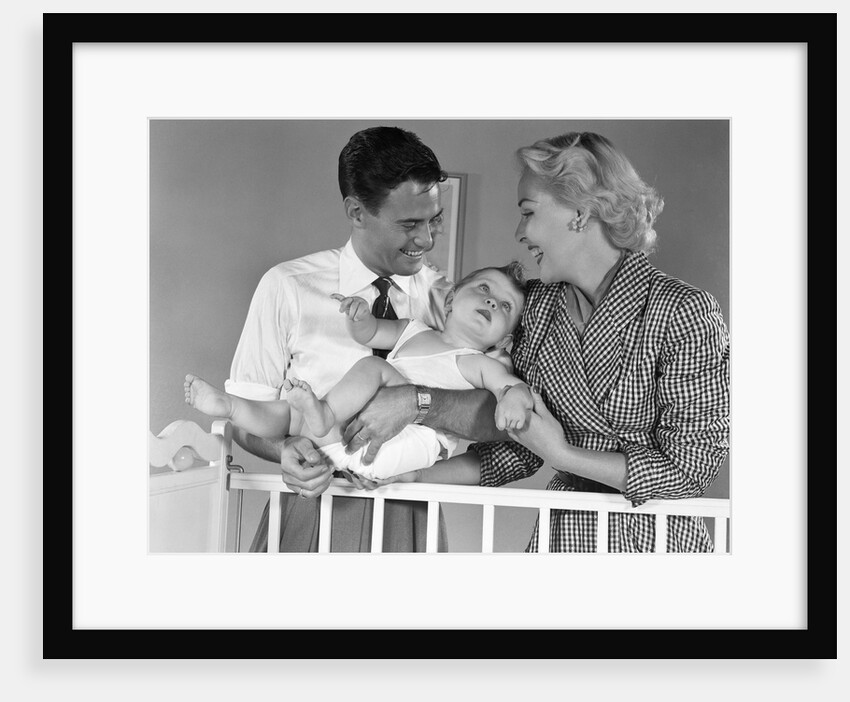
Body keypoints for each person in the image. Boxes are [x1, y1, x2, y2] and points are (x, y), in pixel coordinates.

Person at [380, 131, 731, 553]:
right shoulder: (537, 308)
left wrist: (566, 457)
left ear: (581, 212)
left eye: (528, 212)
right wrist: (414, 477)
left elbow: (691, 469)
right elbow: (519, 446)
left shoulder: (684, 310)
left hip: (658, 538)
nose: (519, 232)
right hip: (566, 536)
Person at [224, 125, 504, 552]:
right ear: (357, 212)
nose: (425, 240)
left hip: (410, 511)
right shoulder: (287, 286)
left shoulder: (448, 302)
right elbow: (246, 417)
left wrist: (416, 400)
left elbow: (494, 414)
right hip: (312, 507)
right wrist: (286, 450)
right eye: (409, 224)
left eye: (434, 221)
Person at [186, 263, 529, 480]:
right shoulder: (414, 330)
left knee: (373, 367)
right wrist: (360, 317)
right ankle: (232, 407)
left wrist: (513, 396)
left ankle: (323, 414)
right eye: (484, 290)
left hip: (414, 442)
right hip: (351, 440)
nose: (491, 303)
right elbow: (370, 333)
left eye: (504, 307)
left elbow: (508, 387)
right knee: (291, 416)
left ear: (506, 338)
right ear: (452, 300)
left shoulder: (480, 363)